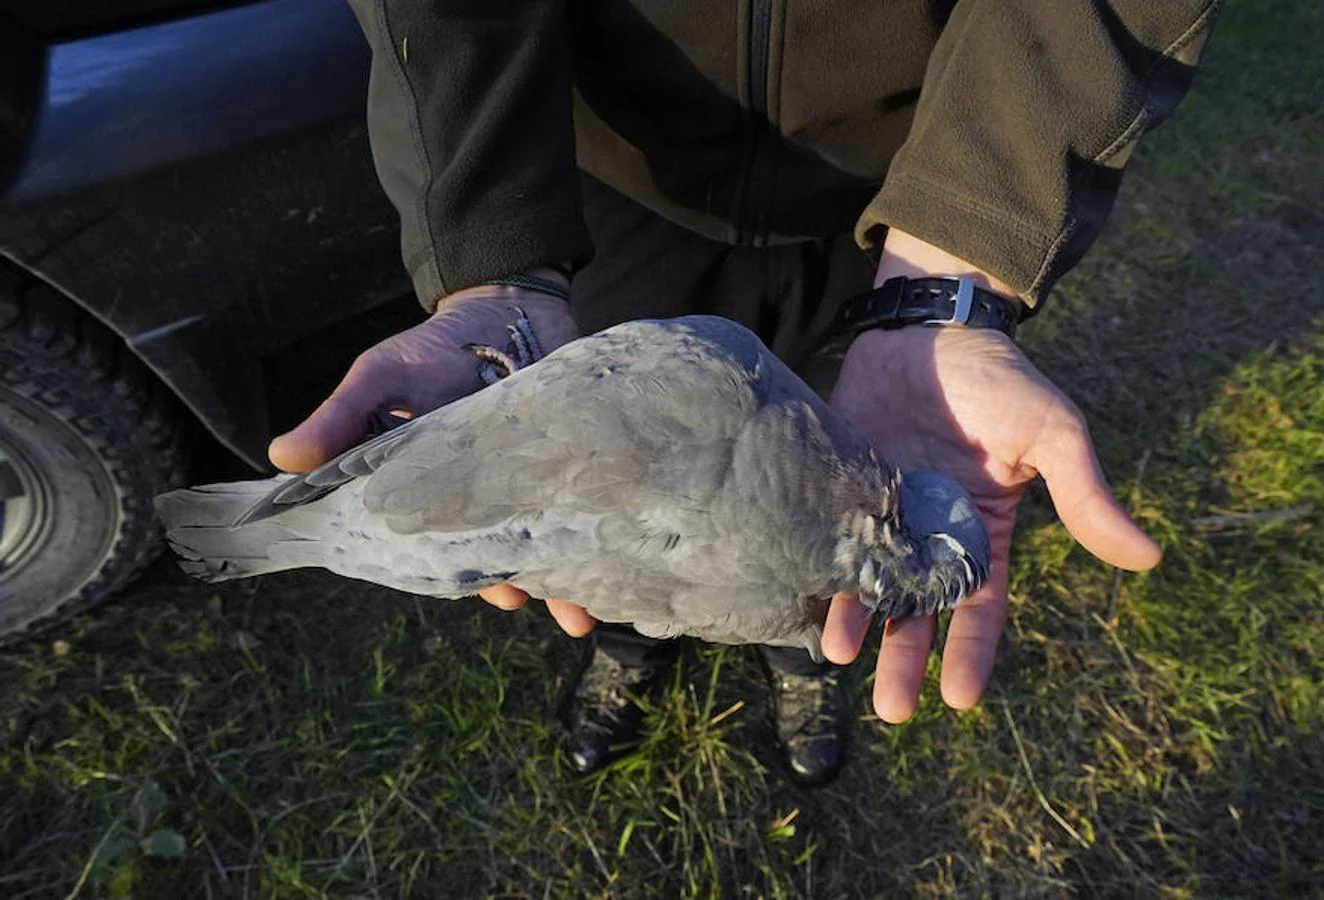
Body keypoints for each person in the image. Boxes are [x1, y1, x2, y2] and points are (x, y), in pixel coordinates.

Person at [269, 0, 1218, 784]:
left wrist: (954, 254)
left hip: (882, 216)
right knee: (615, 494)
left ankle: (801, 660)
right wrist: (497, 256)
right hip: (619, 194)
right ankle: (630, 646)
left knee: (815, 526)